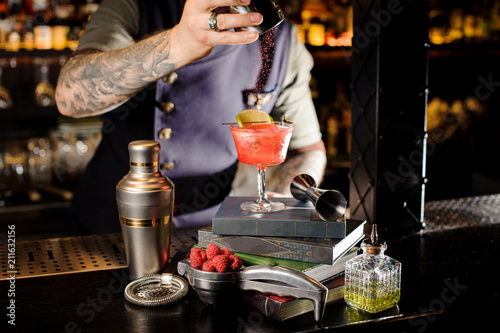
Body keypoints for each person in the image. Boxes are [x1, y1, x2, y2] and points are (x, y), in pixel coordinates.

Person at [55, 0, 326, 234]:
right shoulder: (137, 7)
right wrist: (177, 43)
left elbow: (307, 150)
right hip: (115, 226)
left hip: (218, 231)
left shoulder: (281, 42)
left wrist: (282, 199)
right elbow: (70, 96)